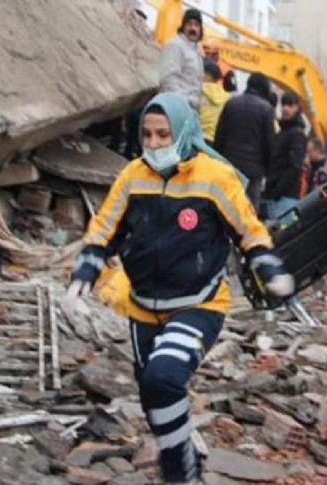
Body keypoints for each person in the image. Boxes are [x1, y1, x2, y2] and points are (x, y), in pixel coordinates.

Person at [64, 93, 293, 484]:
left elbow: (247, 229)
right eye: (147, 135)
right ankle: (183, 452)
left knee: (163, 378)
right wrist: (87, 267)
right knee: (154, 402)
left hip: (198, 304)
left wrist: (267, 266)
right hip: (142, 309)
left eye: (163, 135)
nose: (154, 145)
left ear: (184, 132)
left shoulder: (213, 178)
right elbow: (105, 227)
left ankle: (179, 471)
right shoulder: (133, 176)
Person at [214, 73, 276, 209]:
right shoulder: (266, 109)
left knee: (227, 206)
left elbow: (219, 136)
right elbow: (269, 144)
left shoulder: (231, 103)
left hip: (229, 167)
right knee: (249, 211)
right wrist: (268, 171)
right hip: (253, 173)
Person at [264, 91, 307, 220]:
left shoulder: (296, 134)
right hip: (276, 196)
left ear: (297, 107)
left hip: (286, 198)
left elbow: (295, 166)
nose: (285, 108)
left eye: (290, 105)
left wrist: (278, 190)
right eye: (283, 104)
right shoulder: (283, 132)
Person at [160, 8, 204, 112]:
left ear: (200, 29)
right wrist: (181, 104)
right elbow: (168, 78)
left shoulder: (196, 50)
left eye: (196, 25)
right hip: (178, 108)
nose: (193, 28)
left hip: (191, 109)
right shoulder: (175, 45)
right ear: (183, 26)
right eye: (189, 24)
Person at [199, 60, 230, 146]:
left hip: (197, 138)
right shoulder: (227, 97)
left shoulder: (197, 92)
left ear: (206, 74)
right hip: (215, 141)